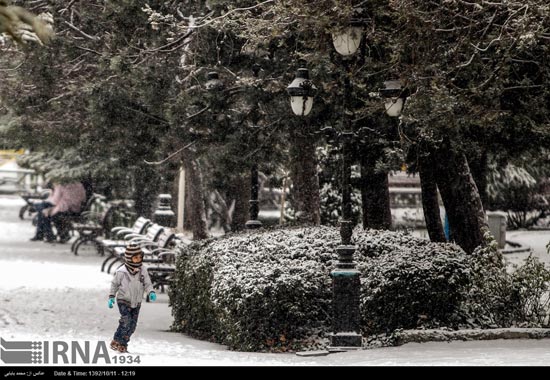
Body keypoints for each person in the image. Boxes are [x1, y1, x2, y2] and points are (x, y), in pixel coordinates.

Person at [108, 244, 157, 353]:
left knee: (132, 325)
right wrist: (111, 296)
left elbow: (147, 283)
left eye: (140, 257)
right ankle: (118, 340)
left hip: (136, 301)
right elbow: (114, 284)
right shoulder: (122, 271)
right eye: (135, 257)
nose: (138, 259)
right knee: (126, 320)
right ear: (129, 258)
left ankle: (122, 343)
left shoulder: (143, 270)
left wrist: (151, 292)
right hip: (123, 300)